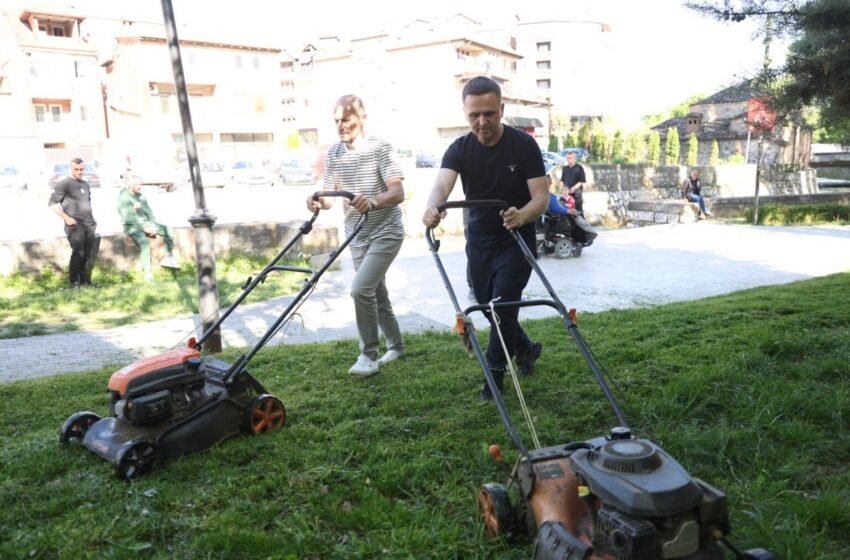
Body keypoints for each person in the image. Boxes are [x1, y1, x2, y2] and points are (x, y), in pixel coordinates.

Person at [422, 76, 549, 400]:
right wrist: (432, 207)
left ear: (502, 110)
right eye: (474, 115)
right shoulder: (459, 149)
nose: (482, 122)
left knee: (503, 305)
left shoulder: (524, 146)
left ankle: (493, 378)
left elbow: (541, 198)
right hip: (478, 244)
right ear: (465, 114)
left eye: (489, 114)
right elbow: (441, 186)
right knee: (490, 309)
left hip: (515, 242)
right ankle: (526, 348)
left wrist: (521, 214)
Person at [307, 94, 406, 378]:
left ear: (362, 118)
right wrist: (316, 199)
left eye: (346, 119)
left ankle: (368, 356)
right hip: (357, 236)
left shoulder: (380, 149)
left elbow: (397, 192)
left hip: (386, 232)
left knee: (360, 289)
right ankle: (396, 346)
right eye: (336, 120)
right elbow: (329, 197)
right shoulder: (335, 154)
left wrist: (373, 201)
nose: (340, 125)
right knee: (376, 292)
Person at [117, 175, 179, 282]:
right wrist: (144, 227)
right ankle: (148, 274)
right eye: (136, 184)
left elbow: (149, 213)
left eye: (140, 184)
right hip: (131, 226)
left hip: (146, 225)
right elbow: (127, 218)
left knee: (168, 230)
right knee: (144, 243)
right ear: (130, 184)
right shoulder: (124, 198)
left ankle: (168, 258)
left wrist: (152, 226)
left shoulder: (141, 197)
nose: (139, 187)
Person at [48, 157, 97, 288]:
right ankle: (74, 282)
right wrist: (66, 218)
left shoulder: (85, 184)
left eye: (81, 169)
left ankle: (86, 282)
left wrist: (92, 218)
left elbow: (87, 202)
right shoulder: (64, 183)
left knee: (87, 254)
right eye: (76, 169)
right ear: (71, 168)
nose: (79, 172)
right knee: (78, 253)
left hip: (89, 224)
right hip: (75, 226)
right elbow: (52, 204)